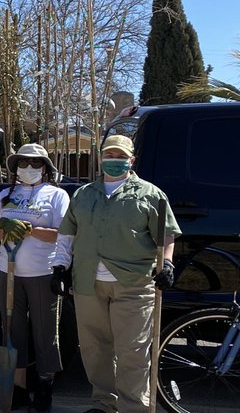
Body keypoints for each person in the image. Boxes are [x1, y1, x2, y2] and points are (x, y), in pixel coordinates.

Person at [52, 135, 179, 413]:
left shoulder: (151, 194)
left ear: (131, 160)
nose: (114, 161)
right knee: (95, 348)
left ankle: (134, 407)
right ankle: (104, 403)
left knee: (132, 351)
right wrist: (60, 266)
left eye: (120, 157)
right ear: (101, 158)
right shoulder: (83, 195)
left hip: (134, 283)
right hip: (88, 282)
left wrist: (166, 264)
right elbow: (67, 234)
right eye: (109, 155)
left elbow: (167, 234)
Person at [0, 143, 69, 411]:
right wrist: (4, 227)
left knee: (45, 332)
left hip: (42, 272)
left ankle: (45, 386)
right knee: (13, 331)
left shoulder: (56, 196)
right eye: (24, 163)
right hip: (8, 272)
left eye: (35, 163)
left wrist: (31, 229)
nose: (29, 168)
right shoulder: (5, 195)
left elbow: (62, 233)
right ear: (16, 167)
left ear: (45, 168)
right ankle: (19, 387)